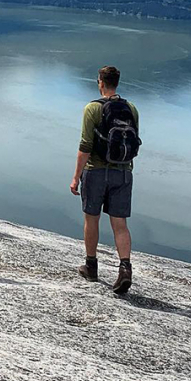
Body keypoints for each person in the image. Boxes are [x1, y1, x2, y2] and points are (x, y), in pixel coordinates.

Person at [70, 66, 140, 295]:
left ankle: (91, 266)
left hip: (96, 171)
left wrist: (75, 177)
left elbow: (85, 147)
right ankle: (125, 269)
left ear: (100, 82)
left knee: (92, 218)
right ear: (117, 83)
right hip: (123, 172)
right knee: (120, 224)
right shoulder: (131, 108)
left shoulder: (92, 109)